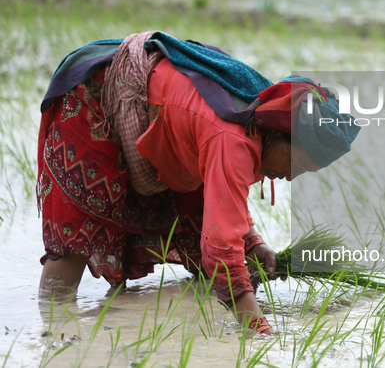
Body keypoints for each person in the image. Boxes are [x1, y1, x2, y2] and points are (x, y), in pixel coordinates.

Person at [36, 31, 360, 334]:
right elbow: (221, 245)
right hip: (94, 96)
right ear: (279, 136)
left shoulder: (257, 121)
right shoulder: (234, 137)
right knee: (76, 237)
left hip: (170, 126)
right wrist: (257, 330)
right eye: (296, 164)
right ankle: (53, 333)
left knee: (199, 229)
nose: (290, 176)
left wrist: (252, 242)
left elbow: (225, 199)